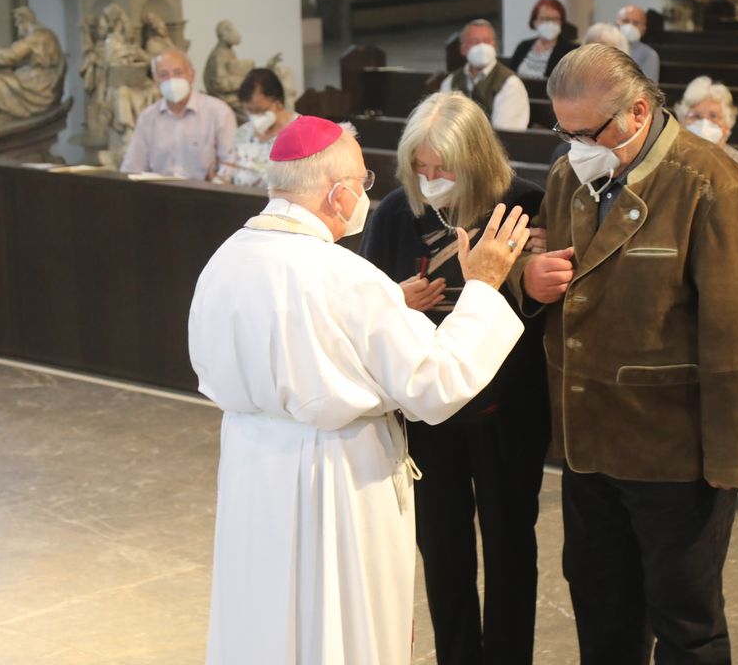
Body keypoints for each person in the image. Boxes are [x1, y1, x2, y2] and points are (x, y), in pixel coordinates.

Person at [188, 115, 533, 665]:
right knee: (338, 621)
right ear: (337, 192)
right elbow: (434, 384)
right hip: (337, 475)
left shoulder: (226, 257)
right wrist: (485, 287)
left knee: (265, 613)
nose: (366, 194)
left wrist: (387, 305)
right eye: (364, 182)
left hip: (254, 464)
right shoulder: (344, 276)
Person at [513, 44, 738, 664]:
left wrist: (732, 458)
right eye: (563, 130)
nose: (573, 145)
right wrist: (528, 276)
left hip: (672, 451)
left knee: (685, 617)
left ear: (637, 111)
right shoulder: (568, 176)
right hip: (587, 443)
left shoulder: (708, 183)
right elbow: (547, 275)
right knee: (602, 607)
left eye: (586, 132)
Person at [360, 93, 549, 665]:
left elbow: (549, 311)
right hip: (429, 413)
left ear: (477, 159)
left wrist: (527, 284)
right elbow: (366, 304)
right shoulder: (397, 212)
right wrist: (399, 301)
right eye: (421, 167)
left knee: (510, 542)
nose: (432, 178)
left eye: (444, 168)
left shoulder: (522, 206)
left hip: (507, 406)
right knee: (442, 549)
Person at [119, 48, 237, 179]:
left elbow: (231, 163)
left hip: (206, 194)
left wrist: (215, 186)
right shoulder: (148, 117)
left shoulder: (219, 112)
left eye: (178, 72)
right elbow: (132, 167)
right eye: (163, 75)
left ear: (192, 75)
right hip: (159, 194)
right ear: (154, 80)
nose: (171, 80)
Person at [0, 6, 66, 126]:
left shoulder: (36, 36)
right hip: (43, 80)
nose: (17, 27)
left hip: (40, 85)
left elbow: (13, 55)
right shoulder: (46, 34)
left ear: (23, 20)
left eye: (17, 23)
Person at [675, 75, 738, 201]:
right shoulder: (671, 162)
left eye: (714, 116)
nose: (705, 123)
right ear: (682, 123)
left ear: (727, 124)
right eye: (696, 116)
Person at [440, 19, 530, 131]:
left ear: (494, 45)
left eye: (486, 41)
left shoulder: (510, 84)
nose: (482, 47)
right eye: (474, 42)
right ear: (463, 49)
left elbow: (505, 133)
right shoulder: (450, 81)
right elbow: (443, 124)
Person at [217, 67, 297, 188]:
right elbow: (229, 168)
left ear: (278, 102)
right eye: (249, 110)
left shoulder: (300, 130)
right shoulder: (243, 133)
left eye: (260, 110)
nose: (255, 116)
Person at [508, 0, 578, 81]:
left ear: (561, 22)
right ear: (535, 21)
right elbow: (509, 75)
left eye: (555, 19)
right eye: (545, 19)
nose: (550, 24)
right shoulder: (523, 46)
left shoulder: (569, 51)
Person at [616, 4, 661, 82]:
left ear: (644, 29)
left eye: (636, 23)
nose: (630, 26)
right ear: (616, 23)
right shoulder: (605, 47)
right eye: (625, 21)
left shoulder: (649, 55)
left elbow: (648, 90)